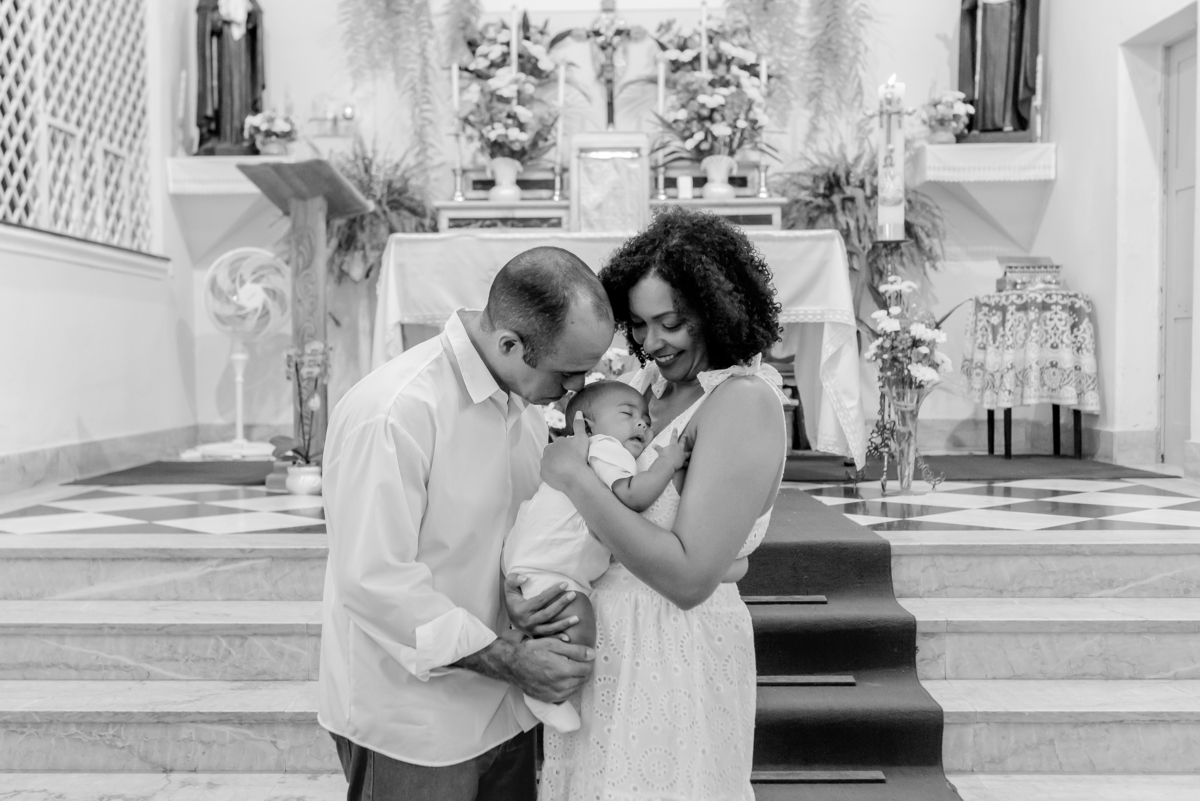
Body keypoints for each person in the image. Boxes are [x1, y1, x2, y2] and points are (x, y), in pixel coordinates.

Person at [318, 246, 615, 801]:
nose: (579, 390)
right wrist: (511, 660)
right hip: (415, 721)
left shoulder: (523, 403)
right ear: (509, 345)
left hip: (509, 710)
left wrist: (520, 594)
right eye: (570, 373)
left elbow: (506, 539)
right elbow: (375, 581)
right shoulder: (394, 412)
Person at [534, 207, 789, 800]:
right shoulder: (646, 388)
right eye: (640, 325)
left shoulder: (741, 404)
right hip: (607, 638)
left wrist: (578, 482)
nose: (651, 344)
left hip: (674, 649)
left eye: (670, 323)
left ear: (717, 309)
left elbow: (686, 579)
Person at [502, 380, 691, 732]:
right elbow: (633, 496)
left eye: (646, 419)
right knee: (578, 625)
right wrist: (667, 463)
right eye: (627, 414)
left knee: (558, 624)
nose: (641, 424)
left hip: (539, 557)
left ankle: (532, 658)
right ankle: (544, 694)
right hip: (554, 567)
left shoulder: (594, 449)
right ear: (588, 427)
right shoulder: (605, 448)